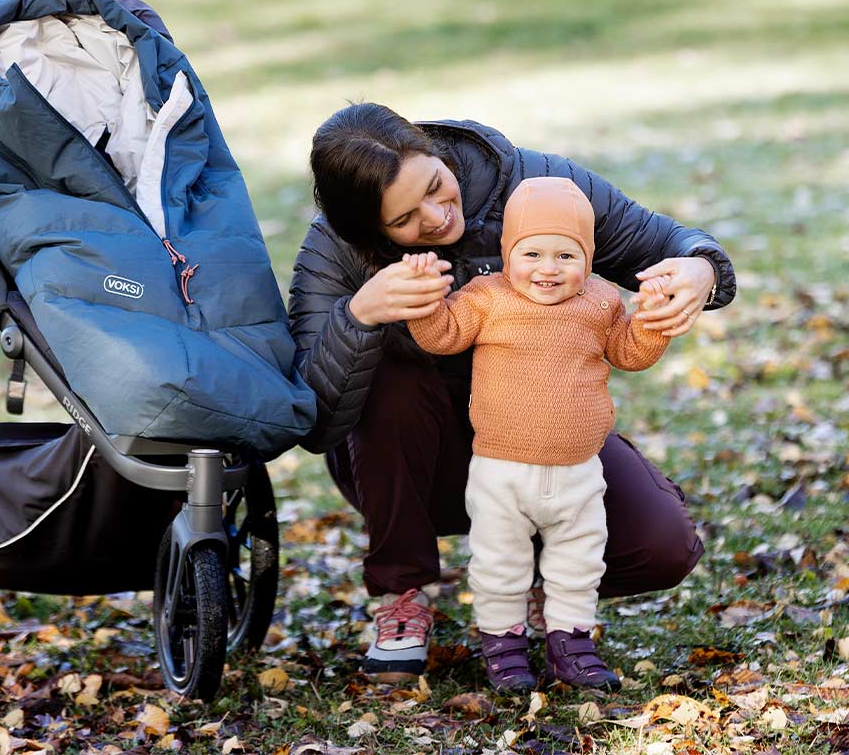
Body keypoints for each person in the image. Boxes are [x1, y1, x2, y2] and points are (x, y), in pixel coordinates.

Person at [288, 103, 735, 683]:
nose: (436, 216)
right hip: (412, 465)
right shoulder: (336, 246)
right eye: (404, 219)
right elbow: (314, 416)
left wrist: (701, 269)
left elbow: (666, 241)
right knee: (392, 374)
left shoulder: (535, 185)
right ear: (369, 228)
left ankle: (546, 583)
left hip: (548, 437)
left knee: (661, 547)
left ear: (435, 152)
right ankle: (403, 594)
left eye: (435, 186)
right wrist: (359, 316)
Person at [404, 177, 675, 691]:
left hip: (578, 470)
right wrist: (425, 300)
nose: (548, 269)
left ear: (587, 260)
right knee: (499, 563)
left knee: (578, 562)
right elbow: (444, 336)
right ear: (508, 254)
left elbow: (630, 352)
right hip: (501, 471)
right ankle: (503, 647)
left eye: (565, 256)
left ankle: (571, 645)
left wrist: (652, 321)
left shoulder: (600, 301)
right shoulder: (487, 297)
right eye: (532, 254)